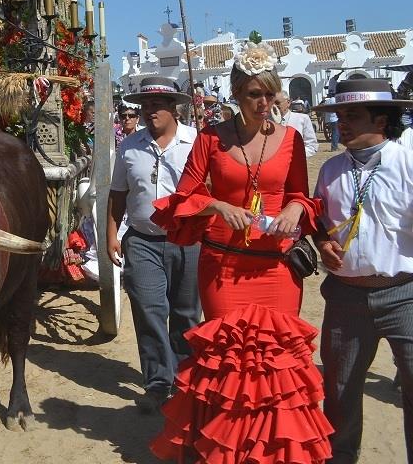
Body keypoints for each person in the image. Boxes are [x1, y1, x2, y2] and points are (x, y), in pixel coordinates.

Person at [149, 41, 333, 463]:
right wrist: (216, 204)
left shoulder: (289, 140)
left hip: (276, 269)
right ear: (236, 94)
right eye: (255, 94)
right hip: (223, 268)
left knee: (277, 364)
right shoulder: (210, 139)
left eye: (270, 93)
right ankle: (226, 452)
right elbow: (183, 197)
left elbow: (302, 197)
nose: (264, 103)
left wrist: (292, 207)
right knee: (228, 364)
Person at [312, 79, 413, 463]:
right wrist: (323, 243)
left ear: (382, 120)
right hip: (345, 297)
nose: (342, 124)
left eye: (352, 116)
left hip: (405, 293)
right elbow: (319, 220)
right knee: (339, 390)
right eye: (339, 116)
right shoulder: (331, 170)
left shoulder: (407, 163)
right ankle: (341, 458)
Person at [107, 78, 200, 412]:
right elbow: (118, 194)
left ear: (174, 107)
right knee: (149, 310)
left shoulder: (197, 143)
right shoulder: (129, 147)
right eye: (144, 105)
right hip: (142, 241)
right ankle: (159, 381)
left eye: (156, 105)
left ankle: (187, 379)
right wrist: (111, 233)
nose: (149, 111)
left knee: (187, 314)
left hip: (188, 240)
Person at [275, 92, 319, 157]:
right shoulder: (266, 121)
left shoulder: (303, 119)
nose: (274, 106)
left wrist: (296, 155)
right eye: (271, 103)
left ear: (288, 102)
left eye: (277, 103)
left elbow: (311, 145)